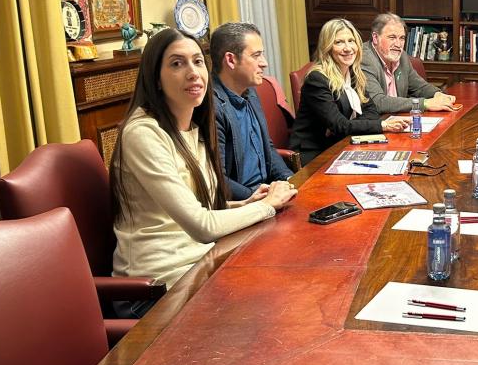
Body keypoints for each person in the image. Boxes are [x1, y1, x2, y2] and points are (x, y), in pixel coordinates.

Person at [110, 28, 297, 305]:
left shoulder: (194, 127)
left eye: (198, 62)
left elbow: (202, 209)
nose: (193, 72)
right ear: (155, 78)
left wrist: (248, 203)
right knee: (272, 305)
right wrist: (266, 206)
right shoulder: (143, 133)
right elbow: (202, 226)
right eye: (177, 63)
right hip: (159, 286)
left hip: (201, 262)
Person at [291, 18, 410, 166]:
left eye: (351, 41)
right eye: (339, 42)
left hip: (342, 144)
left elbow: (371, 112)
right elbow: (340, 126)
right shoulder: (317, 79)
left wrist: (347, 126)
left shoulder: (353, 74)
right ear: (327, 47)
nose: (348, 48)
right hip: (315, 155)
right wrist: (382, 125)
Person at [209, 22, 295, 200]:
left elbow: (268, 149)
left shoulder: (251, 92)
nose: (264, 63)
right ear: (231, 60)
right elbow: (217, 179)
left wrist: (289, 180)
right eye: (256, 55)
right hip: (243, 204)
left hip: (268, 194)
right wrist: (260, 199)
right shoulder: (211, 107)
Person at [361, 13, 456, 114]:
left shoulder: (402, 57)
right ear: (375, 38)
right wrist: (425, 104)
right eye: (392, 37)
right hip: (377, 123)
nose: (398, 44)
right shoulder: (364, 58)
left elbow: (419, 86)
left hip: (398, 119)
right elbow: (378, 102)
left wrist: (437, 94)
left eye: (402, 38)